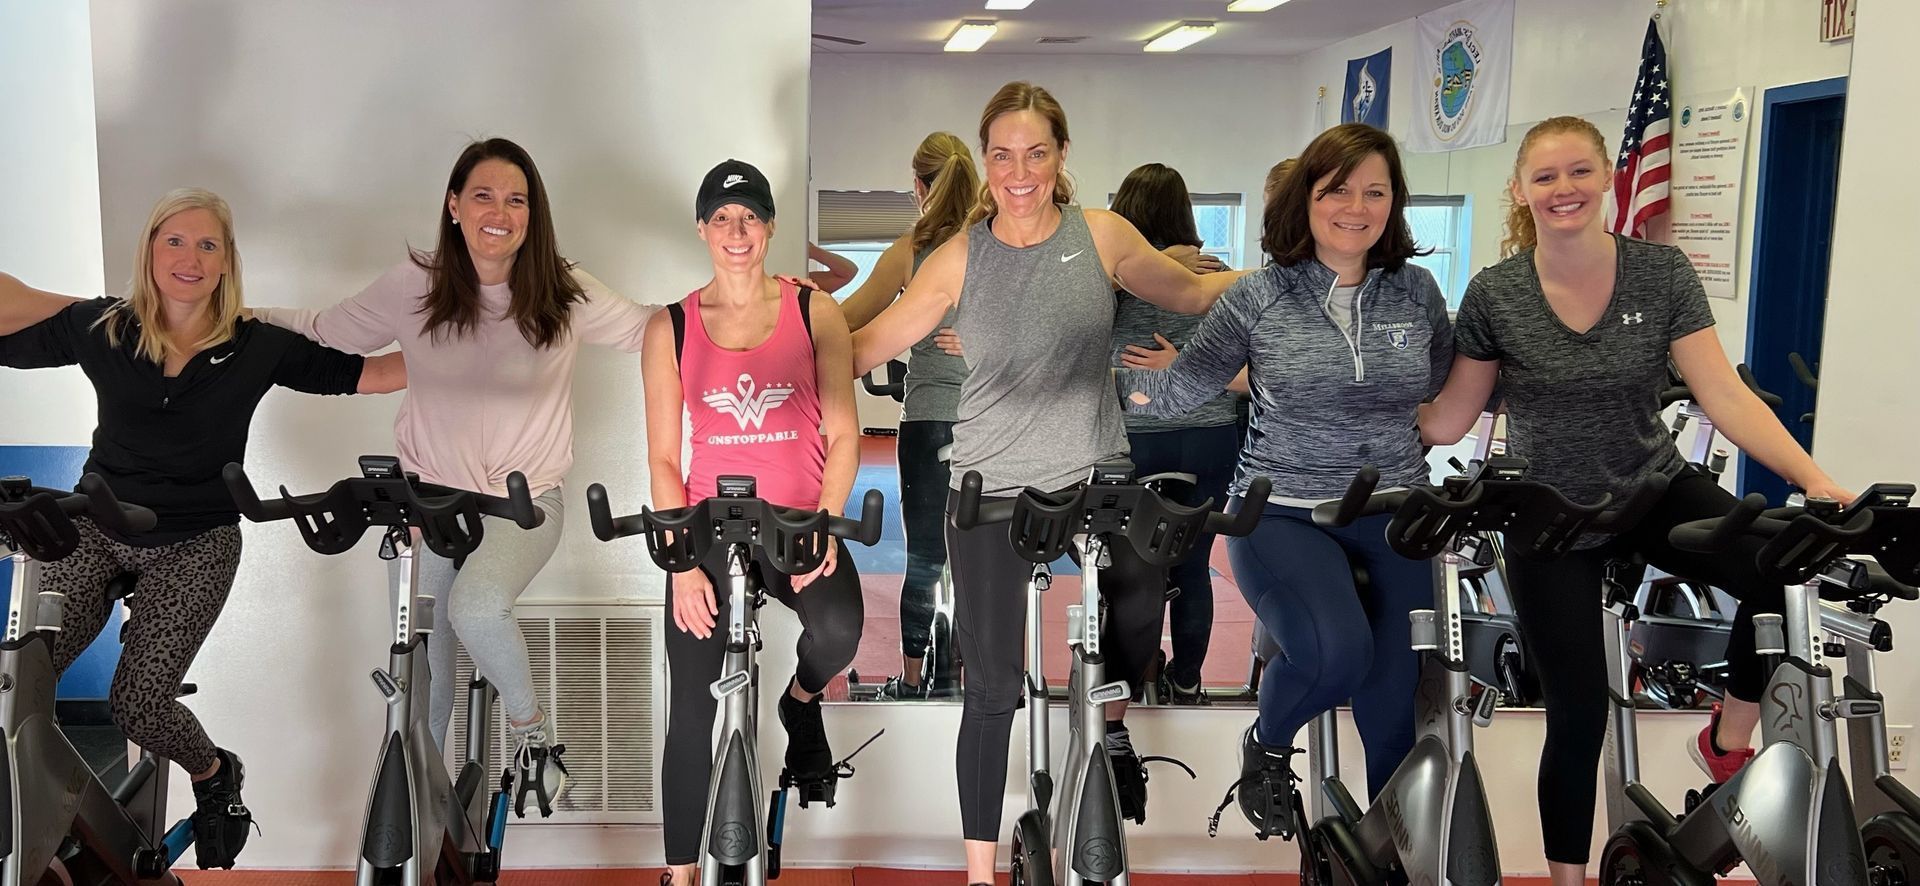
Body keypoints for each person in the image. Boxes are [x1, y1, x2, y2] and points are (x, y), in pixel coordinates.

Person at [1417, 115, 1853, 886]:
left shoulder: (1661, 272)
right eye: (1545, 176)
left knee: (1778, 567)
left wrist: (1812, 478)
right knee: (1578, 712)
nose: (1564, 189)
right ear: (1520, 191)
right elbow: (1451, 417)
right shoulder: (1496, 293)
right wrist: (1332, 403)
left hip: (1652, 486)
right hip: (1550, 512)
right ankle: (1567, 881)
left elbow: (1723, 394)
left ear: (1610, 179)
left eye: (1579, 171)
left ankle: (1726, 743)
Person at [849, 81, 1246, 883]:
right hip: (992, 486)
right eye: (1003, 156)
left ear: (1061, 155)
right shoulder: (960, 256)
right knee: (993, 688)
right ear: (985, 162)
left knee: (1142, 600)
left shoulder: (1100, 235)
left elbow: (1193, 292)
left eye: (1036, 153)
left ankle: (1111, 725)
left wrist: (1286, 274)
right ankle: (978, 872)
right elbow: (864, 345)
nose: (1019, 172)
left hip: (1096, 475)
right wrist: (783, 329)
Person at [0, 187, 406, 867]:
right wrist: (78, 304)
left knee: (139, 707)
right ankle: (38, 817)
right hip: (98, 527)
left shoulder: (258, 346)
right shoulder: (103, 327)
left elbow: (371, 374)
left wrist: (479, 343)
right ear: (151, 251)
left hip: (196, 541)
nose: (189, 258)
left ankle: (216, 774)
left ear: (226, 262)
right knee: (20, 680)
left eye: (207, 245)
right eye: (175, 241)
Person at [253, 137, 656, 814]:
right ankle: (422, 817)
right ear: (454, 205)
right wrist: (240, 317)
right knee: (422, 674)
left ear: (532, 214)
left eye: (516, 199)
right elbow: (328, 329)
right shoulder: (413, 284)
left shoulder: (563, 289)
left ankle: (535, 741)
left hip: (524, 506)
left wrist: (749, 303)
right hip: (428, 506)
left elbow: (654, 329)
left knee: (476, 607)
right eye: (483, 196)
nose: (500, 212)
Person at [1120, 123, 1452, 835]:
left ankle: (1389, 852)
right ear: (1306, 198)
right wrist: (1094, 382)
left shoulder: (1417, 292)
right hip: (1280, 512)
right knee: (1338, 653)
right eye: (1337, 191)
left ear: (1394, 203)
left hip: (1395, 508)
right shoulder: (1258, 295)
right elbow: (1180, 389)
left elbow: (1446, 387)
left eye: (1375, 192)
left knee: (1397, 707)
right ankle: (1267, 743)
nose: (1356, 208)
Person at [645, 160, 864, 886]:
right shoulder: (670, 326)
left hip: (799, 522)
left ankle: (799, 703)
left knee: (839, 631)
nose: (735, 232)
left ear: (769, 227)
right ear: (702, 228)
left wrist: (827, 523)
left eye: (749, 218)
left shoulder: (814, 311)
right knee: (689, 708)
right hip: (707, 531)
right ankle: (679, 874)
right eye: (721, 218)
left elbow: (844, 432)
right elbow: (663, 458)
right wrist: (681, 563)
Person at [834, 131, 979, 699]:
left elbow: (846, 321)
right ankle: (981, 678)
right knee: (985, 560)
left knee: (924, 555)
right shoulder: (995, 246)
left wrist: (796, 305)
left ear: (918, 187)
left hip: (928, 420)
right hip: (991, 423)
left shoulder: (911, 251)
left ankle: (914, 680)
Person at [1105, 162, 1241, 706]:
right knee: (1194, 563)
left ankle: (1129, 676)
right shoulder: (1219, 276)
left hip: (1140, 438)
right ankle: (1187, 680)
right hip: (1210, 437)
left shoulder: (1118, 280)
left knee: (1132, 570)